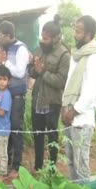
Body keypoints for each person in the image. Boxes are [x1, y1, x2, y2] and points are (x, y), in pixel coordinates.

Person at [61, 15, 96, 182]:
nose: (75, 34)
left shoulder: (95, 58)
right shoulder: (77, 56)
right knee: (70, 163)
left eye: (78, 31)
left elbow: (92, 92)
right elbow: (69, 84)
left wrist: (72, 112)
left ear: (88, 34)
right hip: (69, 117)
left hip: (82, 120)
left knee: (81, 166)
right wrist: (63, 107)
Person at [28, 15, 70, 173]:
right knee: (37, 135)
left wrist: (43, 71)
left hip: (52, 102)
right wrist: (33, 68)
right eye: (42, 37)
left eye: (46, 38)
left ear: (55, 38)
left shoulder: (64, 54)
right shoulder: (40, 49)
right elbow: (32, 72)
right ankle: (38, 167)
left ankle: (52, 169)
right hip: (37, 99)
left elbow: (61, 81)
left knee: (52, 137)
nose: (42, 41)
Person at [0, 20, 29, 178]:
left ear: (8, 35)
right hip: (6, 96)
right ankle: (6, 161)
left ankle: (16, 166)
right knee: (6, 129)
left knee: (16, 130)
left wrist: (5, 62)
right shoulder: (5, 48)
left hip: (16, 97)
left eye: (0, 35)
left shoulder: (21, 49)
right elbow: (3, 72)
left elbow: (20, 73)